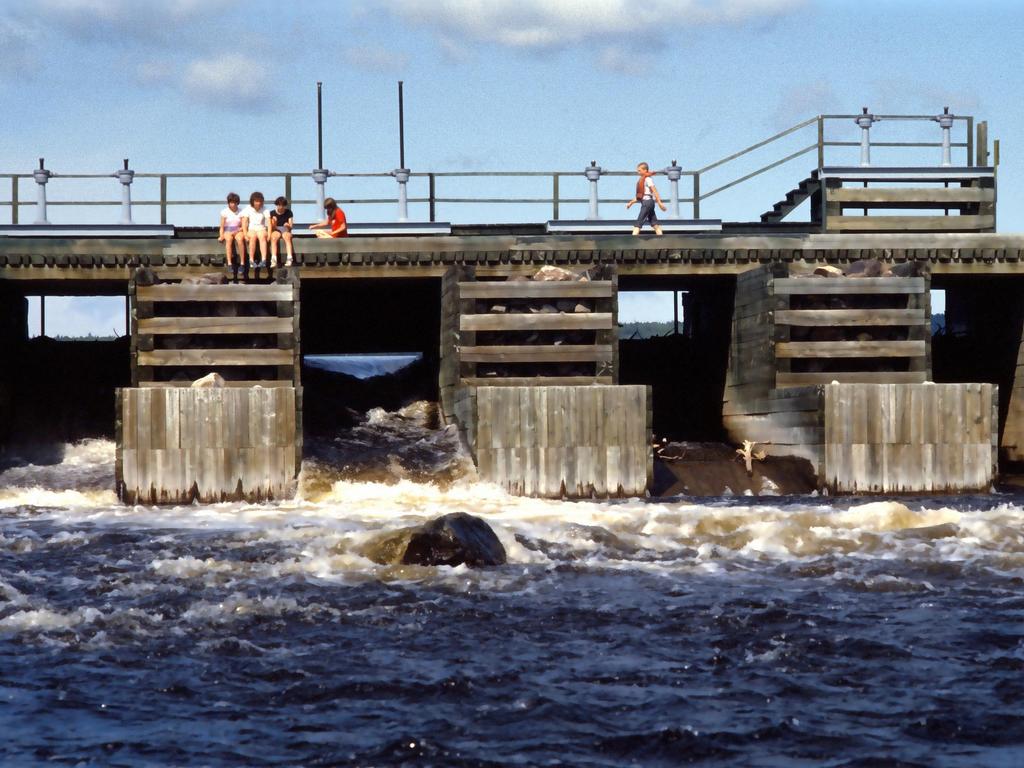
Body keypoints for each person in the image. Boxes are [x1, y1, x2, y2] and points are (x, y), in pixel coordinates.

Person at [625, 162, 666, 236]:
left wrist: (659, 203)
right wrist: (631, 203)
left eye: (639, 170)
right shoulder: (642, 180)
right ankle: (661, 239)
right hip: (647, 202)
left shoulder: (648, 179)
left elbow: (654, 190)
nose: (638, 172)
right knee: (654, 224)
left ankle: (632, 241)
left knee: (638, 223)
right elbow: (640, 196)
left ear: (645, 170)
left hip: (647, 203)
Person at [241, 191, 271, 279]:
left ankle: (264, 259)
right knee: (253, 237)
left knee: (262, 236)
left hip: (261, 228)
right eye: (256, 201)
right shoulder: (248, 209)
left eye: (260, 201)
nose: (258, 203)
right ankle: (251, 260)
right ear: (252, 201)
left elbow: (268, 223)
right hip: (251, 228)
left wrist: (269, 234)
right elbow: (244, 222)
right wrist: (245, 234)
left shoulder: (265, 209)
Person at [218, 192, 246, 282]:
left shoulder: (242, 212)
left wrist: (237, 231)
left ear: (237, 203)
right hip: (228, 230)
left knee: (240, 239)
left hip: (238, 230)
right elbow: (222, 226)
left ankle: (242, 263)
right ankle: (229, 263)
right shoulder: (224, 212)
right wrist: (221, 235)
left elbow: (244, 225)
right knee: (229, 239)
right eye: (231, 202)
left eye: (234, 202)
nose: (233, 204)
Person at [269, 196, 294, 267]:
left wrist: (288, 225)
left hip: (285, 230)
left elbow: (290, 227)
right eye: (279, 205)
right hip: (276, 230)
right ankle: (273, 259)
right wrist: (274, 223)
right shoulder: (272, 213)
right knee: (274, 237)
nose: (281, 207)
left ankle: (289, 257)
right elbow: (271, 227)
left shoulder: (289, 212)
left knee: (287, 236)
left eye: (283, 205)